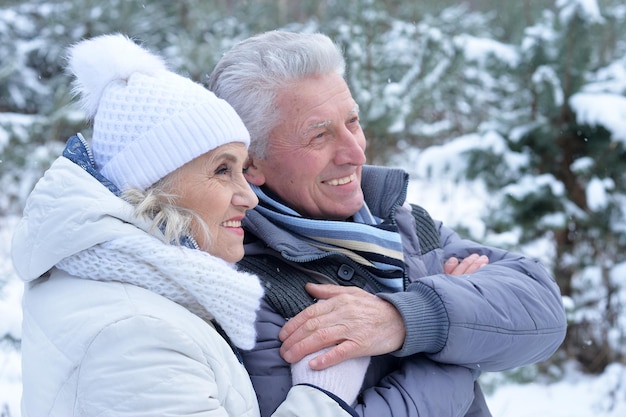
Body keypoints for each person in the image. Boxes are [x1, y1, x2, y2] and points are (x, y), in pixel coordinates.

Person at [208, 30, 568, 417]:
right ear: (251, 163)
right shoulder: (246, 287)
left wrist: (405, 319)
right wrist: (459, 350)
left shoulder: (400, 223)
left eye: (353, 121)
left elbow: (543, 312)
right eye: (319, 136)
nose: (355, 150)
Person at [11, 34, 361, 417]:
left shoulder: (140, 288)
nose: (249, 197)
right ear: (155, 186)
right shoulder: (136, 333)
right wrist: (323, 396)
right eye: (223, 170)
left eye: (242, 169)